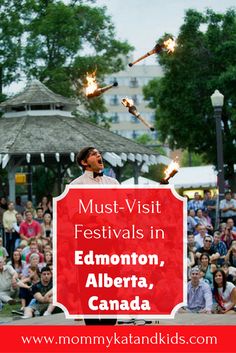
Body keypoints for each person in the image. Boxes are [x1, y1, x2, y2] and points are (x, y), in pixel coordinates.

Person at [71, 146, 119, 325]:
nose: (99, 155)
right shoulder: (76, 185)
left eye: (99, 153)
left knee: (110, 289)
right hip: (88, 244)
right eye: (93, 154)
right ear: (84, 162)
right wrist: (96, 215)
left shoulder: (113, 184)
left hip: (111, 244)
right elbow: (74, 216)